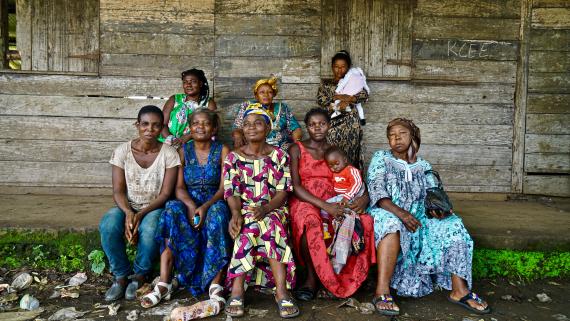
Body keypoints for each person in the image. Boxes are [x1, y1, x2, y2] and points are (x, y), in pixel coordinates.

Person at [367, 118, 490, 316]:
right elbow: (377, 193)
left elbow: (435, 193)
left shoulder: (424, 165)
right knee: (391, 224)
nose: (396, 138)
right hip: (387, 211)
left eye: (402, 133)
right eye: (392, 135)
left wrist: (439, 209)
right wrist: (402, 214)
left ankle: (459, 290)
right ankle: (382, 290)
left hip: (418, 216)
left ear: (413, 136)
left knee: (453, 224)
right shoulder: (380, 158)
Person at [141, 109, 231, 309]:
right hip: (188, 199)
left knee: (218, 214)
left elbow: (224, 188)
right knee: (172, 209)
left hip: (214, 201)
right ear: (189, 128)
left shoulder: (223, 149)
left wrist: (206, 206)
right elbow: (179, 188)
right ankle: (164, 283)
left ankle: (215, 284)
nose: (201, 127)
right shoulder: (183, 151)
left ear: (214, 127)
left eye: (206, 123)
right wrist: (191, 206)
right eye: (196, 123)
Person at [288, 108, 375, 301]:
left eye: (322, 123)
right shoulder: (296, 149)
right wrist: (325, 207)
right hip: (306, 199)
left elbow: (353, 175)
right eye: (312, 124)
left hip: (337, 199)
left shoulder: (335, 150)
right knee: (309, 219)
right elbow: (295, 186)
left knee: (364, 220)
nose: (317, 128)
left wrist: (364, 197)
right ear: (307, 127)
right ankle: (312, 279)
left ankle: (344, 276)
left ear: (329, 125)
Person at [223, 108, 299, 319]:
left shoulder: (279, 155)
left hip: (274, 207)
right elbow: (231, 190)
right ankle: (238, 290)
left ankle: (281, 291)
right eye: (247, 124)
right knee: (247, 226)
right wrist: (236, 213)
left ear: (268, 128)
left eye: (257, 123)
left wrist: (266, 208)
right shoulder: (233, 157)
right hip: (245, 208)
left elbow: (283, 191)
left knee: (270, 223)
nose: (251, 127)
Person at [99, 105, 180, 302]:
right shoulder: (122, 151)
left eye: (155, 125)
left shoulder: (169, 153)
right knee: (108, 224)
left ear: (162, 127)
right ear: (137, 124)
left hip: (154, 206)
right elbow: (118, 191)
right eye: (145, 124)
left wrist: (141, 214)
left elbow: (166, 193)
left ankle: (139, 275)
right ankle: (120, 276)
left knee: (151, 228)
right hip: (128, 205)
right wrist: (128, 212)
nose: (149, 130)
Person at [317, 50, 369, 169]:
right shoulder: (325, 84)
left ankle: (351, 181)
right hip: (331, 123)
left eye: (343, 67)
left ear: (348, 67)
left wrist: (348, 99)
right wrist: (335, 103)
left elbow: (364, 95)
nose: (339, 70)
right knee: (332, 153)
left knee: (350, 154)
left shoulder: (353, 81)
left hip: (350, 124)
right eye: (336, 67)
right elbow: (321, 100)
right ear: (332, 67)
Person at [232, 76, 303, 151]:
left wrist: (296, 145)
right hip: (254, 149)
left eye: (270, 92)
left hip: (282, 149)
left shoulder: (282, 107)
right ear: (256, 96)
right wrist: (237, 134)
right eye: (262, 92)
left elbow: (295, 128)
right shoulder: (247, 106)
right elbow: (237, 127)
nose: (266, 95)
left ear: (274, 95)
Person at [160, 69, 217, 148]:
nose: (188, 85)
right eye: (185, 82)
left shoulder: (208, 103)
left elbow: (213, 127)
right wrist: (170, 139)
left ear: (200, 84)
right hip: (168, 141)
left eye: (193, 81)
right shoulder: (174, 99)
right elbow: (162, 123)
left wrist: (188, 137)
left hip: (194, 143)